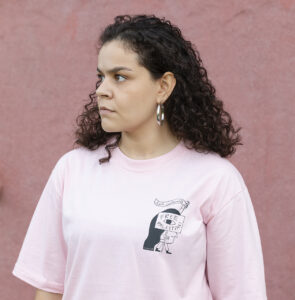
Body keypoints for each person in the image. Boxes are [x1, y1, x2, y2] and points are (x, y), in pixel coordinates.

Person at [12, 14, 268, 300]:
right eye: (101, 77)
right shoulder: (73, 170)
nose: (102, 91)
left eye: (120, 77)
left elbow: (241, 292)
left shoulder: (215, 180)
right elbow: (49, 287)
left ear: (163, 87)